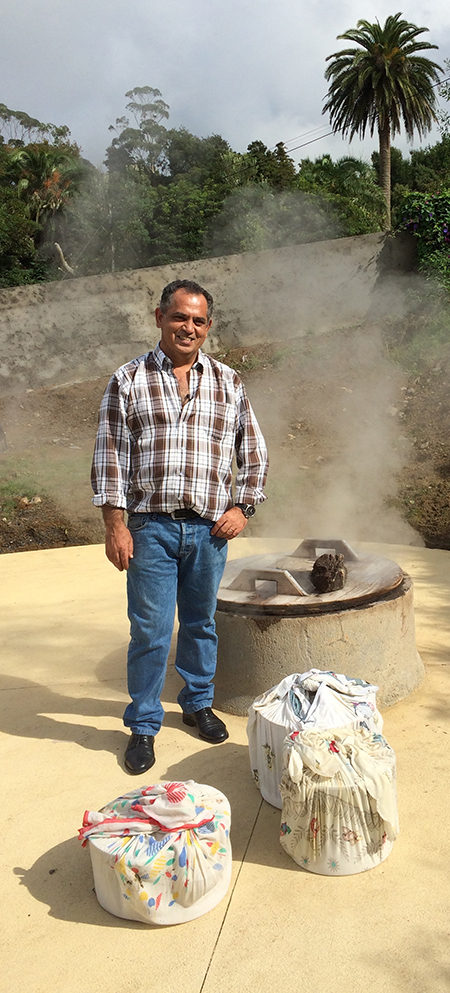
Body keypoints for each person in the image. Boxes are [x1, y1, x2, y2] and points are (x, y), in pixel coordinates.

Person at [91, 279, 268, 775]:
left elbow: (253, 453)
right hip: (151, 528)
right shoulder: (128, 380)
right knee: (149, 630)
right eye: (179, 317)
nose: (188, 327)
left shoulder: (229, 382)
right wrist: (115, 526)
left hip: (211, 532)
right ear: (159, 318)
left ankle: (196, 704)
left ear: (207, 327)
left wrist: (243, 508)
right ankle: (143, 725)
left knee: (200, 623)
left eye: (198, 320)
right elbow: (109, 457)